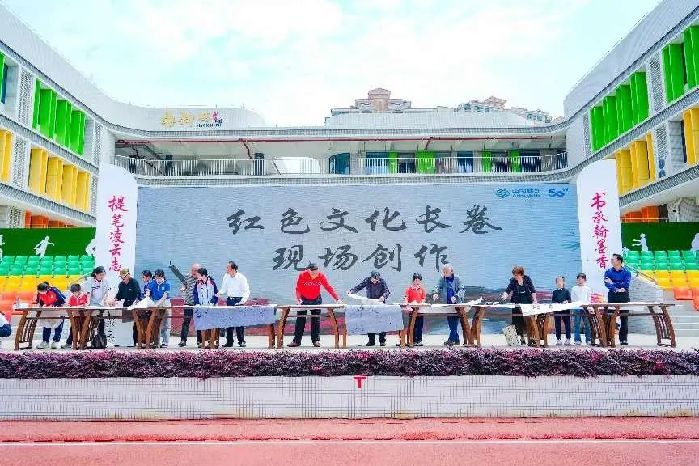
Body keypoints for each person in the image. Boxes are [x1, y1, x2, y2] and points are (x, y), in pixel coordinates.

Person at [289, 263, 341, 348]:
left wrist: (337, 299)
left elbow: (328, 287)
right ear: (308, 271)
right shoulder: (302, 275)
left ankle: (316, 340)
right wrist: (299, 299)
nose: (315, 274)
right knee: (300, 319)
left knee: (316, 319)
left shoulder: (321, 276)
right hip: (304, 299)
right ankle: (296, 341)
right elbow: (298, 288)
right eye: (313, 273)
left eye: (316, 272)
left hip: (316, 299)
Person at [348, 270, 391, 346]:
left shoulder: (382, 281)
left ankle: (382, 340)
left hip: (379, 303)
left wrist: (383, 296)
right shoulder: (367, 280)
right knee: (370, 322)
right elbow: (359, 287)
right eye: (374, 279)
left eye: (377, 280)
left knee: (382, 322)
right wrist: (352, 291)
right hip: (370, 303)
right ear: (371, 277)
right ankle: (371, 341)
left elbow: (387, 291)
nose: (375, 281)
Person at [218, 261, 250, 347]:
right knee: (229, 322)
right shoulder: (226, 276)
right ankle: (229, 342)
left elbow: (246, 291)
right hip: (230, 300)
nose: (226, 269)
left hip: (239, 300)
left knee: (239, 322)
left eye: (228, 267)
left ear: (233, 269)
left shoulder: (241, 277)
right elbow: (224, 289)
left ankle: (241, 341)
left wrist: (242, 302)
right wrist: (218, 293)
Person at [503, 266, 538, 345]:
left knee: (528, 321)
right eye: (514, 275)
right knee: (517, 321)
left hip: (527, 302)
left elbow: (533, 290)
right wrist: (505, 295)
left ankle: (530, 339)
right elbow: (508, 290)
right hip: (516, 302)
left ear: (521, 274)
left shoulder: (527, 279)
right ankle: (521, 338)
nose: (514, 276)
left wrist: (535, 300)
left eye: (516, 275)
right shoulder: (513, 280)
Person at [431, 264, 465, 346]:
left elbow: (462, 289)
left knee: (455, 322)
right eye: (444, 271)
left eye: (446, 271)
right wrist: (435, 293)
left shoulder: (457, 278)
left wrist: (456, 296)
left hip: (457, 304)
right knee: (450, 322)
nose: (445, 273)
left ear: (451, 271)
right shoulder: (442, 279)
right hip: (447, 303)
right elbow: (437, 286)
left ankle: (451, 339)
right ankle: (456, 339)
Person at [604, 253, 632, 345]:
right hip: (613, 296)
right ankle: (609, 338)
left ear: (619, 261)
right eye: (611, 259)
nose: (611, 261)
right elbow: (607, 283)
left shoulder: (627, 272)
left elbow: (626, 285)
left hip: (624, 296)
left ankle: (623, 339)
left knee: (624, 318)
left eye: (613, 259)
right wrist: (616, 288)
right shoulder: (608, 271)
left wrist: (613, 282)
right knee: (610, 317)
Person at [193, 267, 219, 347]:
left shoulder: (212, 283)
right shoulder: (197, 283)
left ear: (203, 275)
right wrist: (197, 303)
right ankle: (203, 344)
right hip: (202, 307)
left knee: (212, 325)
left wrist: (212, 302)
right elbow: (195, 294)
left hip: (211, 307)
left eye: (198, 275)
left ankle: (212, 343)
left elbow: (216, 294)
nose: (197, 276)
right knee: (202, 325)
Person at [35, 282, 66, 349]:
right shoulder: (39, 293)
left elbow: (62, 301)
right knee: (46, 325)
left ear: (47, 289)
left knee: (58, 326)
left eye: (43, 291)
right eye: (40, 291)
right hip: (47, 311)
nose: (41, 293)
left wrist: (54, 305)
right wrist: (41, 305)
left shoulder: (54, 291)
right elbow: (39, 302)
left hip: (58, 311)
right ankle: (45, 342)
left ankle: (56, 341)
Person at [146, 269, 171, 348]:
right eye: (157, 277)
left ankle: (165, 342)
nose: (158, 279)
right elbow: (148, 291)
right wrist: (147, 297)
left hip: (165, 303)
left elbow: (164, 297)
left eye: (160, 278)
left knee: (166, 324)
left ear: (163, 276)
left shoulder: (167, 284)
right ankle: (156, 342)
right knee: (156, 323)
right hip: (155, 302)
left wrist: (157, 304)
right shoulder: (152, 283)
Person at [179, 263, 202, 348]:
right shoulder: (187, 277)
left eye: (195, 271)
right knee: (186, 321)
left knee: (199, 322)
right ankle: (183, 340)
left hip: (198, 304)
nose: (193, 272)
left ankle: (200, 341)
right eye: (192, 270)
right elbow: (184, 285)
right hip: (188, 302)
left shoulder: (202, 279)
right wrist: (183, 288)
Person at [86, 266, 111, 339]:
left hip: (101, 304)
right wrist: (87, 305)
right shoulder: (90, 281)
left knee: (101, 319)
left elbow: (108, 292)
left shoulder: (106, 281)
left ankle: (101, 336)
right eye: (100, 275)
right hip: (92, 304)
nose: (102, 276)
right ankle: (88, 336)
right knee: (90, 320)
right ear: (95, 274)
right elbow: (88, 295)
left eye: (103, 275)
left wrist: (107, 301)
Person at [63, 283, 89, 349]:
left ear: (79, 290)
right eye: (73, 292)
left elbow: (86, 304)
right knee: (73, 329)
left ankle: (83, 343)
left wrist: (81, 306)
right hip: (75, 317)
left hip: (84, 317)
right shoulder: (72, 297)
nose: (75, 294)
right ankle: (70, 343)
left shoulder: (84, 296)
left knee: (84, 329)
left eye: (76, 292)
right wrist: (68, 305)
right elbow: (69, 305)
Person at [404, 272, 426, 346]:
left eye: (419, 281)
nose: (417, 282)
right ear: (413, 280)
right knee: (412, 326)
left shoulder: (422, 289)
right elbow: (406, 298)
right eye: (416, 280)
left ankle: (419, 340)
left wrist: (421, 303)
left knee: (420, 326)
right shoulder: (409, 289)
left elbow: (423, 298)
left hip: (420, 311)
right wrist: (407, 304)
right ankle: (412, 340)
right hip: (412, 311)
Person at [571, 273, 593, 345]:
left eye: (582, 279)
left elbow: (589, 300)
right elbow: (572, 299)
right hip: (577, 308)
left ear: (585, 280)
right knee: (576, 324)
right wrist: (577, 305)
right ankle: (577, 340)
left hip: (585, 308)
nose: (580, 280)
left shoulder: (588, 289)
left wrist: (588, 308)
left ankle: (588, 339)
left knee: (587, 324)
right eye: (579, 279)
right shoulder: (574, 288)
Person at [551, 276, 572, 346]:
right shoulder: (554, 292)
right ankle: (558, 339)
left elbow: (570, 300)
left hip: (565, 310)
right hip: (557, 310)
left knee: (567, 325)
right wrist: (556, 303)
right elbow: (553, 301)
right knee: (557, 325)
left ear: (563, 282)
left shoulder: (566, 291)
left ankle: (568, 339)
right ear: (556, 283)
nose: (559, 283)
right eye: (558, 281)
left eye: (561, 281)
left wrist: (566, 301)